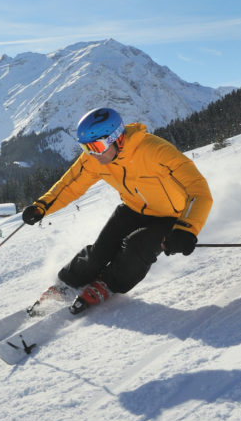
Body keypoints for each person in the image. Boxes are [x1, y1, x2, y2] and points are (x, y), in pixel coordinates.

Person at [20, 107, 212, 313]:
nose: (93, 154)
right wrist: (42, 206)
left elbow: (198, 191)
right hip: (132, 208)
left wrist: (187, 229)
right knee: (99, 253)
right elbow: (70, 185)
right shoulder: (95, 158)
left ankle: (108, 284)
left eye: (97, 146)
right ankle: (68, 283)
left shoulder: (156, 151)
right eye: (86, 148)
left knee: (136, 248)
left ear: (117, 138)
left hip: (170, 217)